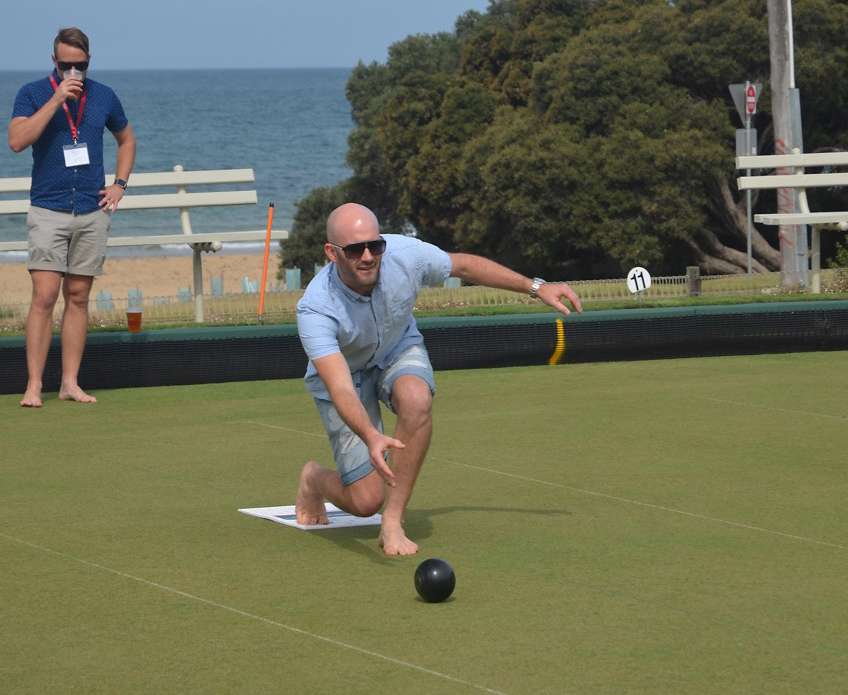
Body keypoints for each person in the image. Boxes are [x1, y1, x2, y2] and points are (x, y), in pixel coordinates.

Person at [295, 203, 582, 556]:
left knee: (417, 400)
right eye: (356, 250)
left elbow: (462, 265)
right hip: (347, 376)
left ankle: (393, 521)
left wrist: (536, 287)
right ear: (331, 252)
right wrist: (371, 436)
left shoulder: (405, 255)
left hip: (396, 348)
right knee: (365, 501)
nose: (368, 256)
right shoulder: (315, 308)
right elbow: (338, 385)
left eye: (375, 245)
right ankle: (314, 479)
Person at [8, 27, 136, 407]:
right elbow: (16, 141)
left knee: (78, 297)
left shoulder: (104, 96)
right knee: (44, 296)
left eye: (79, 66)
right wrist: (56, 99)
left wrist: (120, 185)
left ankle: (70, 383)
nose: (73, 73)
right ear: (54, 62)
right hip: (49, 208)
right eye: (66, 66)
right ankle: (33, 385)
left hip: (92, 210)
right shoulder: (32, 93)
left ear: (89, 62)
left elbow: (127, 139)